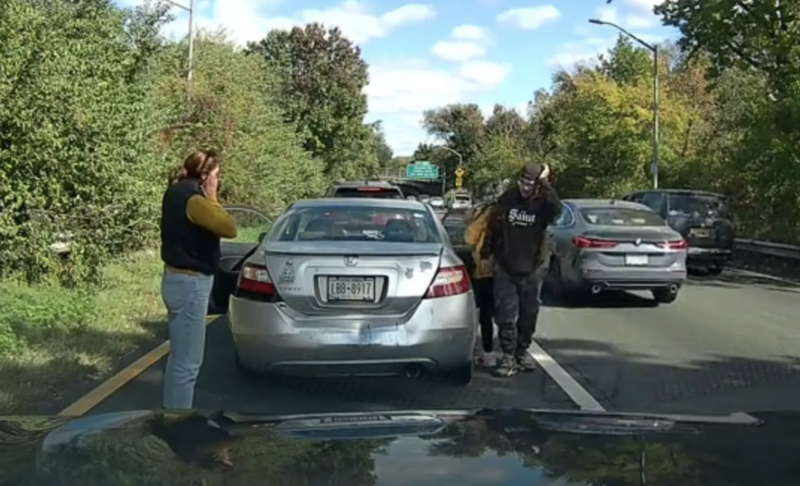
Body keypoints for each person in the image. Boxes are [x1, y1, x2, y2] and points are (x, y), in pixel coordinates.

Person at [160, 150, 237, 409]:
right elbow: (229, 228)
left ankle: (172, 412)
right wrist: (213, 197)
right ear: (205, 176)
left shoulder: (175, 192)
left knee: (179, 359)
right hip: (191, 283)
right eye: (216, 176)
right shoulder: (196, 200)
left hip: (174, 277)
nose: (218, 180)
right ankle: (178, 421)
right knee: (188, 364)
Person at [480, 163, 561, 377]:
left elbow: (556, 208)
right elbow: (493, 225)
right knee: (505, 314)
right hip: (506, 265)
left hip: (534, 267)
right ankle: (508, 357)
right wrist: (486, 254)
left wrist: (543, 181)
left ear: (537, 185)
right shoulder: (508, 198)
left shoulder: (543, 202)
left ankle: (521, 351)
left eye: (530, 184)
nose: (525, 188)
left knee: (529, 313)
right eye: (523, 182)